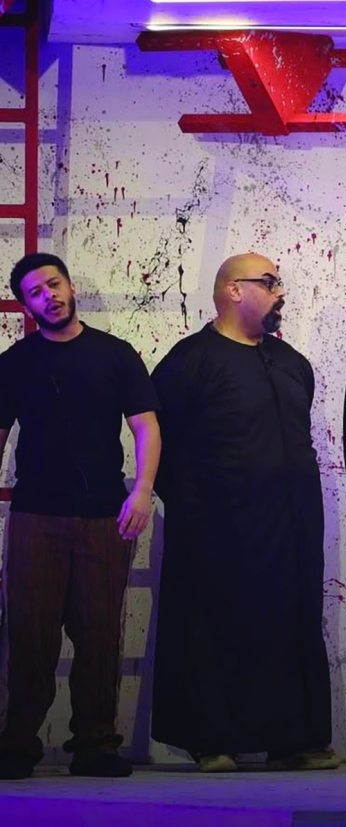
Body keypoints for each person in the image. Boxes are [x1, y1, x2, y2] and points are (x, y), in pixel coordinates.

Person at [149, 253, 338, 773]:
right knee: (217, 624)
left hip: (292, 521)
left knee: (290, 621)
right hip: (217, 525)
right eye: (269, 282)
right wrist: (193, 503)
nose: (280, 292)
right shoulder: (190, 361)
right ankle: (212, 739)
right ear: (234, 290)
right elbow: (157, 440)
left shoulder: (292, 363)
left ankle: (292, 740)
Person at [0, 253, 160, 780]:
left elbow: (145, 426)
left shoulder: (115, 354)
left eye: (53, 283)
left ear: (69, 286)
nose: (48, 295)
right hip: (35, 516)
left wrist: (142, 490)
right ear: (26, 306)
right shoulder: (15, 362)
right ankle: (17, 745)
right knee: (30, 635)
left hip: (104, 516)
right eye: (36, 292)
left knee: (99, 636)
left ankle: (95, 745)